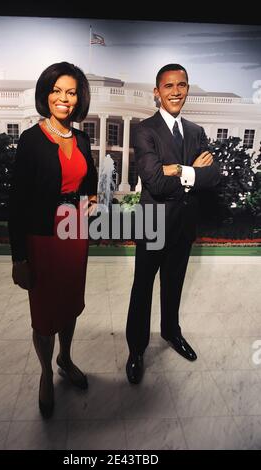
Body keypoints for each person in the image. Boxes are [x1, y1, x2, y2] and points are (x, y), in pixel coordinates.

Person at [8, 62, 98, 417]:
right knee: (44, 316)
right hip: (42, 240)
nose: (64, 98)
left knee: (70, 304)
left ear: (79, 98)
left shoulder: (81, 138)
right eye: (57, 90)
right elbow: (16, 202)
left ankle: (65, 359)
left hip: (74, 236)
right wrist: (19, 258)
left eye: (71, 92)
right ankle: (46, 373)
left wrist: (90, 199)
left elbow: (87, 179)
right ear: (46, 94)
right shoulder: (31, 139)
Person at [126, 64, 220, 384]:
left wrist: (179, 170)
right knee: (142, 289)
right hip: (152, 222)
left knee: (174, 284)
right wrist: (192, 170)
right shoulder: (143, 129)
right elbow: (153, 181)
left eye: (181, 85)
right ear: (157, 92)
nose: (176, 91)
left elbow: (213, 176)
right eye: (168, 86)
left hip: (183, 224)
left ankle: (171, 333)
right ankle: (136, 349)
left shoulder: (195, 131)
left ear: (188, 88)